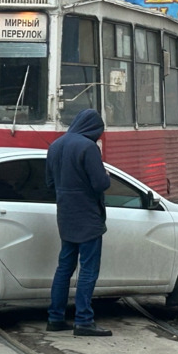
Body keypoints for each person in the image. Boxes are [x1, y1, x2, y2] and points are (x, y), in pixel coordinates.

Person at [45, 109, 112, 337]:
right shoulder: (87, 147)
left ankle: (55, 318)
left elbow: (49, 183)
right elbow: (100, 184)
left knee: (64, 267)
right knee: (88, 269)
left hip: (65, 215)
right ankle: (83, 320)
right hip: (88, 216)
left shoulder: (55, 146)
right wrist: (107, 177)